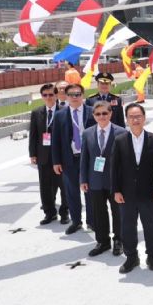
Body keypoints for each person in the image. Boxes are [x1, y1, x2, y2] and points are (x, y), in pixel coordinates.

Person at [111, 103, 153, 273]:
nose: (135, 119)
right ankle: (131, 257)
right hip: (126, 194)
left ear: (144, 118)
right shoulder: (119, 140)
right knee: (128, 227)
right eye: (131, 117)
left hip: (149, 193)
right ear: (127, 120)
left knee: (151, 226)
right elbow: (114, 168)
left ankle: (152, 256)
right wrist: (116, 190)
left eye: (138, 116)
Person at [80, 101, 127, 256]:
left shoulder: (121, 132)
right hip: (95, 180)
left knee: (117, 212)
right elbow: (84, 159)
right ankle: (103, 241)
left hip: (115, 181)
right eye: (98, 114)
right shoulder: (87, 133)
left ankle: (118, 240)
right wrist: (83, 179)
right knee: (99, 213)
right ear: (93, 115)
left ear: (110, 114)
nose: (102, 116)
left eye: (105, 113)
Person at [51, 83, 95, 235]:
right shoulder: (59, 115)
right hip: (69, 159)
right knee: (71, 192)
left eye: (77, 94)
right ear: (66, 96)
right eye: (71, 95)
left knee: (90, 191)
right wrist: (56, 161)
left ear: (82, 95)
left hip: (89, 159)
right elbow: (55, 140)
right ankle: (76, 221)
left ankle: (92, 221)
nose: (74, 97)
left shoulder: (92, 112)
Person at [29, 83, 68, 225]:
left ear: (56, 95)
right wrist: (32, 154)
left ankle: (64, 213)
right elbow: (33, 135)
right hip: (43, 156)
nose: (48, 98)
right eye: (45, 95)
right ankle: (49, 213)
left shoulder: (64, 111)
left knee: (64, 186)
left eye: (51, 94)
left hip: (61, 156)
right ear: (42, 97)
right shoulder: (36, 112)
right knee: (45, 186)